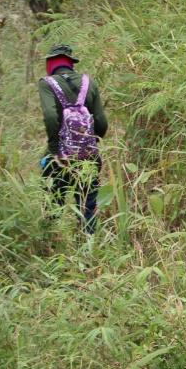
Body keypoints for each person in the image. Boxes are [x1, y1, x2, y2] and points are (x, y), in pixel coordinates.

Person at [38, 44, 108, 234]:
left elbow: (51, 118)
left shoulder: (47, 83)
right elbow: (102, 123)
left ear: (50, 63)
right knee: (87, 207)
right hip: (88, 158)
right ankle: (89, 251)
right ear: (71, 63)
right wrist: (88, 143)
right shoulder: (88, 83)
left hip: (60, 159)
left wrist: (54, 150)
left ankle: (51, 246)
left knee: (54, 205)